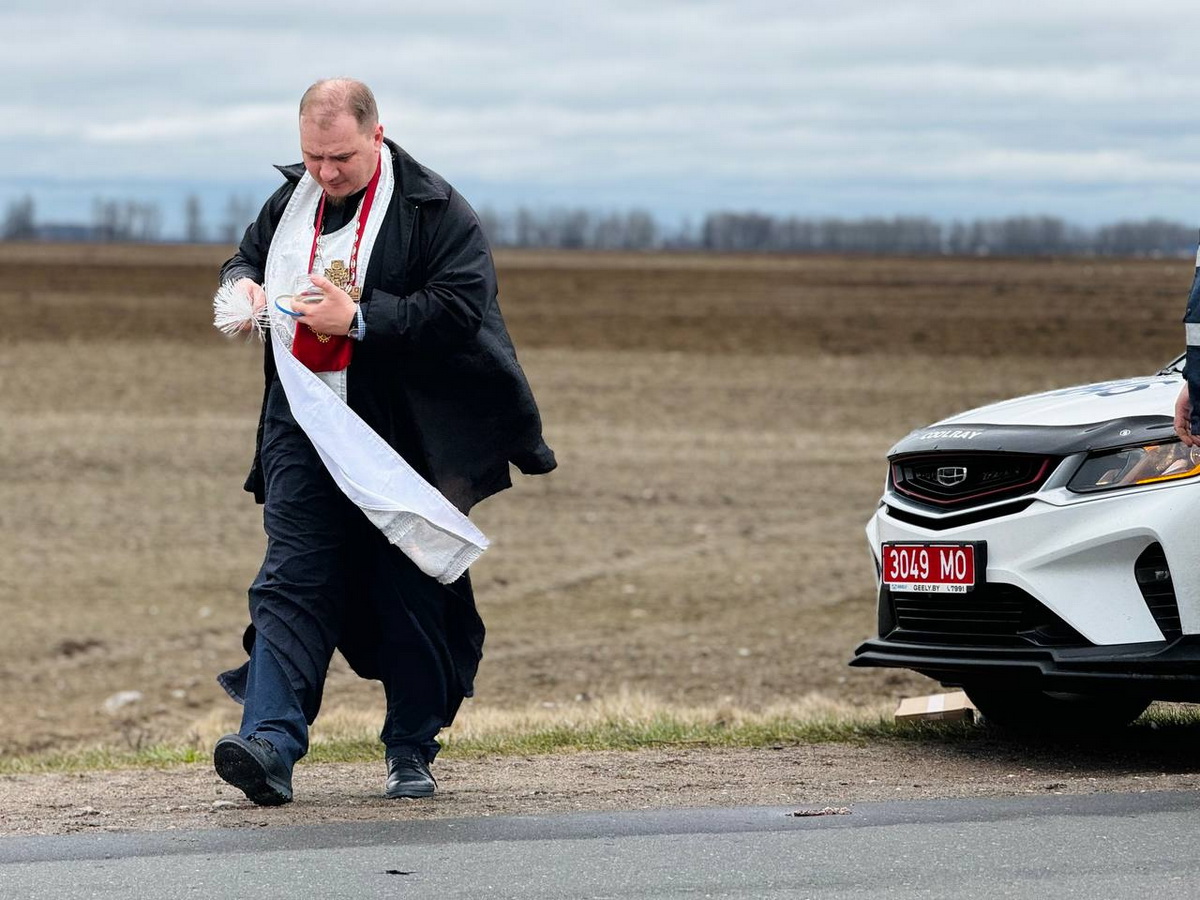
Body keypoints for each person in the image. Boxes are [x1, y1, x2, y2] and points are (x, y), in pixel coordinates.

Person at [212, 78, 555, 806]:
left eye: (339, 157)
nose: (325, 173)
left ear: (377, 134)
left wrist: (360, 318)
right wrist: (243, 291)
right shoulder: (291, 202)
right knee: (291, 577)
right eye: (312, 157)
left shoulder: (436, 209)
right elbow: (244, 257)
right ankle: (269, 743)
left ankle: (409, 748)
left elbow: (461, 310)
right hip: (302, 423)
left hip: (406, 434)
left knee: (410, 591)